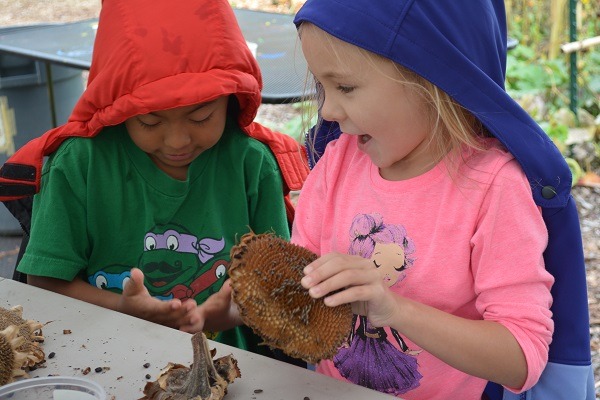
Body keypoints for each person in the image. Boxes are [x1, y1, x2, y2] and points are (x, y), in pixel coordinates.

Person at [0, 0, 308, 362]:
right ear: (117, 108)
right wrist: (122, 308)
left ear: (232, 99)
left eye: (201, 117)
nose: (177, 141)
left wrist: (231, 313)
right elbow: (45, 282)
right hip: (102, 362)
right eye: (150, 122)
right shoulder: (79, 165)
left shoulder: (252, 165)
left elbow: (280, 290)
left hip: (231, 367)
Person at [290, 0, 561, 398]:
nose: (327, 111)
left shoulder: (493, 188)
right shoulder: (338, 162)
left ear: (431, 78)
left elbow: (522, 356)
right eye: (320, 87)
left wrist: (394, 310)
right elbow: (301, 288)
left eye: (345, 86)